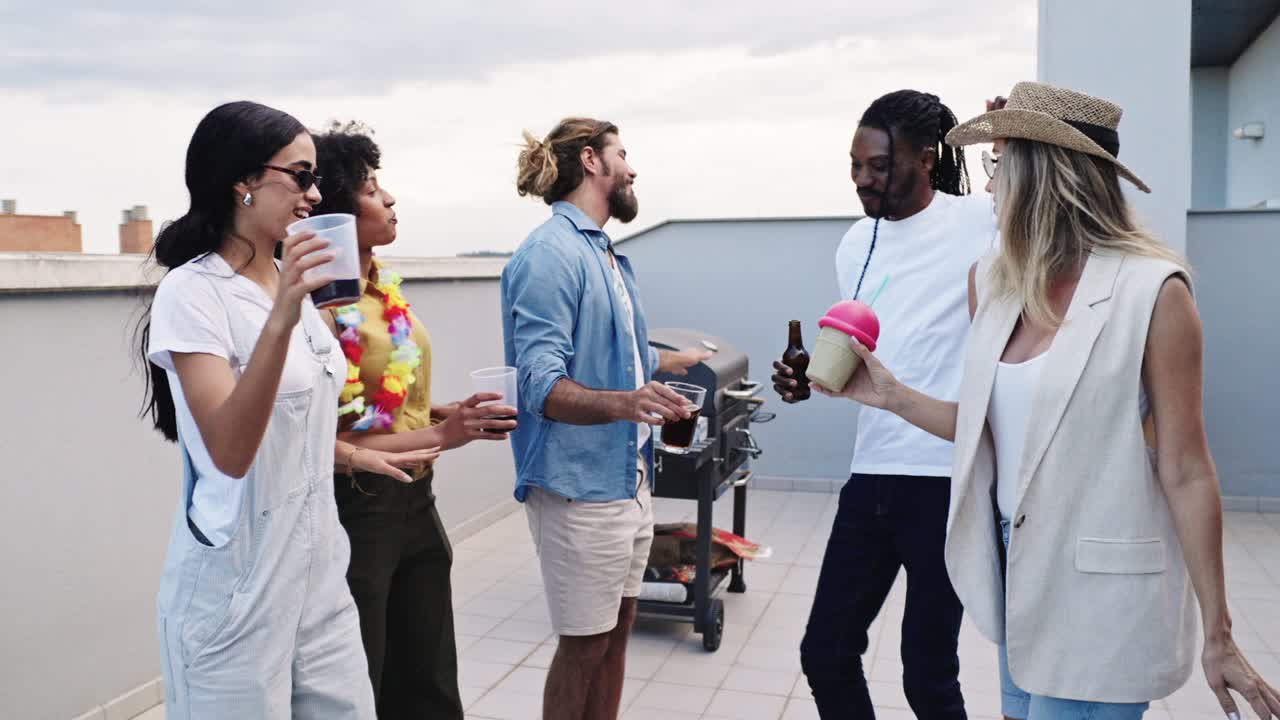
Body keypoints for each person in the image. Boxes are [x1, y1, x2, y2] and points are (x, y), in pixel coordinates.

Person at [818, 81, 1280, 720]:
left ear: (1044, 172)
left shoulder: (1155, 291)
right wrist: (890, 395)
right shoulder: (997, 286)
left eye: (998, 163)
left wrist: (1219, 633)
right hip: (1019, 583)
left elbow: (1187, 469)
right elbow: (995, 430)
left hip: (1102, 596)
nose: (986, 188)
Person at [139, 101, 433, 718]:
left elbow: (291, 423)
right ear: (244, 181)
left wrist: (351, 454)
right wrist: (283, 313)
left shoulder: (286, 280)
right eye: (301, 175)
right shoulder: (193, 293)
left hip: (320, 570)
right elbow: (229, 449)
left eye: (316, 178)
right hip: (237, 584)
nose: (314, 194)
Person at [771, 89, 992, 719]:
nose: (863, 179)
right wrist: (810, 374)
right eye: (855, 164)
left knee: (927, 675)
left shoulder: (982, 222)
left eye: (879, 166)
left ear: (926, 159)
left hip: (946, 480)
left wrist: (1010, 152)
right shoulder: (853, 244)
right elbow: (866, 359)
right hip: (872, 475)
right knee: (826, 653)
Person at [501, 117, 711, 720]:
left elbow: (616, 352)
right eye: (623, 153)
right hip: (577, 488)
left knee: (619, 630)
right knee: (584, 645)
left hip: (627, 478)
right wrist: (630, 402)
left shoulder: (604, 253)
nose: (633, 167)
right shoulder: (549, 256)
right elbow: (541, 383)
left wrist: (670, 361)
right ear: (591, 161)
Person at [311, 122, 517, 719]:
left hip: (416, 502)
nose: (390, 198)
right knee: (364, 675)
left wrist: (451, 413)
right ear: (336, 212)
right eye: (373, 189)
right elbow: (328, 437)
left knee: (428, 676)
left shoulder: (382, 292)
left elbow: (383, 405)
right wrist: (446, 436)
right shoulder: (316, 305)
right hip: (357, 505)